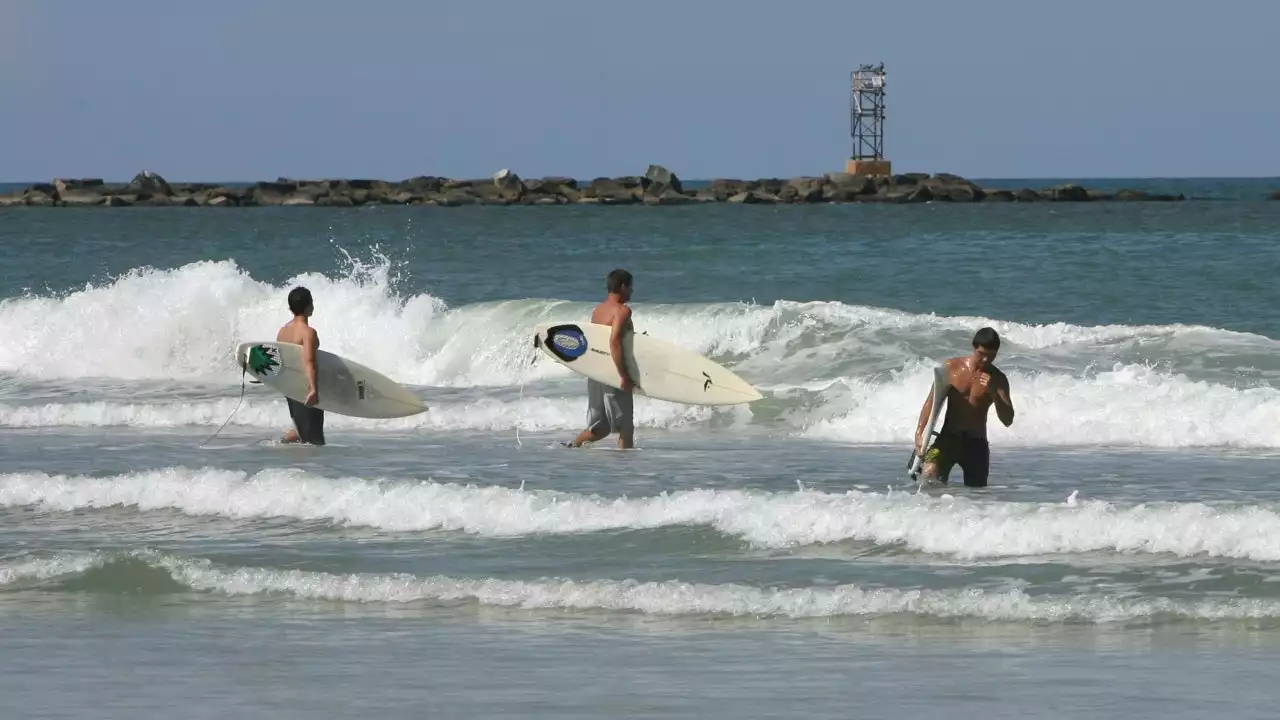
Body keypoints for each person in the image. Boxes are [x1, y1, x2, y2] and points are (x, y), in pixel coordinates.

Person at [914, 327, 1014, 486]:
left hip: (976, 443)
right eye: (982, 354)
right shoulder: (951, 368)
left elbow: (1008, 420)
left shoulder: (998, 380)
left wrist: (994, 393)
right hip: (948, 438)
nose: (986, 360)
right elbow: (932, 402)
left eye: (991, 356)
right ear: (974, 348)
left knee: (976, 495)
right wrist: (919, 432)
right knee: (929, 475)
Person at [567, 269, 638, 449]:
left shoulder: (598, 311)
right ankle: (624, 472)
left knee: (600, 428)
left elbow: (595, 343)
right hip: (613, 372)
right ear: (622, 287)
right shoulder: (622, 311)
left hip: (596, 372)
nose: (632, 291)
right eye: (630, 287)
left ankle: (572, 446)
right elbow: (614, 342)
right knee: (625, 428)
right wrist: (623, 376)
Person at [277, 286, 324, 446]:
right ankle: (306, 469)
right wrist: (313, 389)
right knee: (314, 440)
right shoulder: (308, 332)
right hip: (305, 386)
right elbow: (309, 362)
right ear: (308, 305)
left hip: (290, 386)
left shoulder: (282, 331)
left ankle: (285, 441)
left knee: (303, 429)